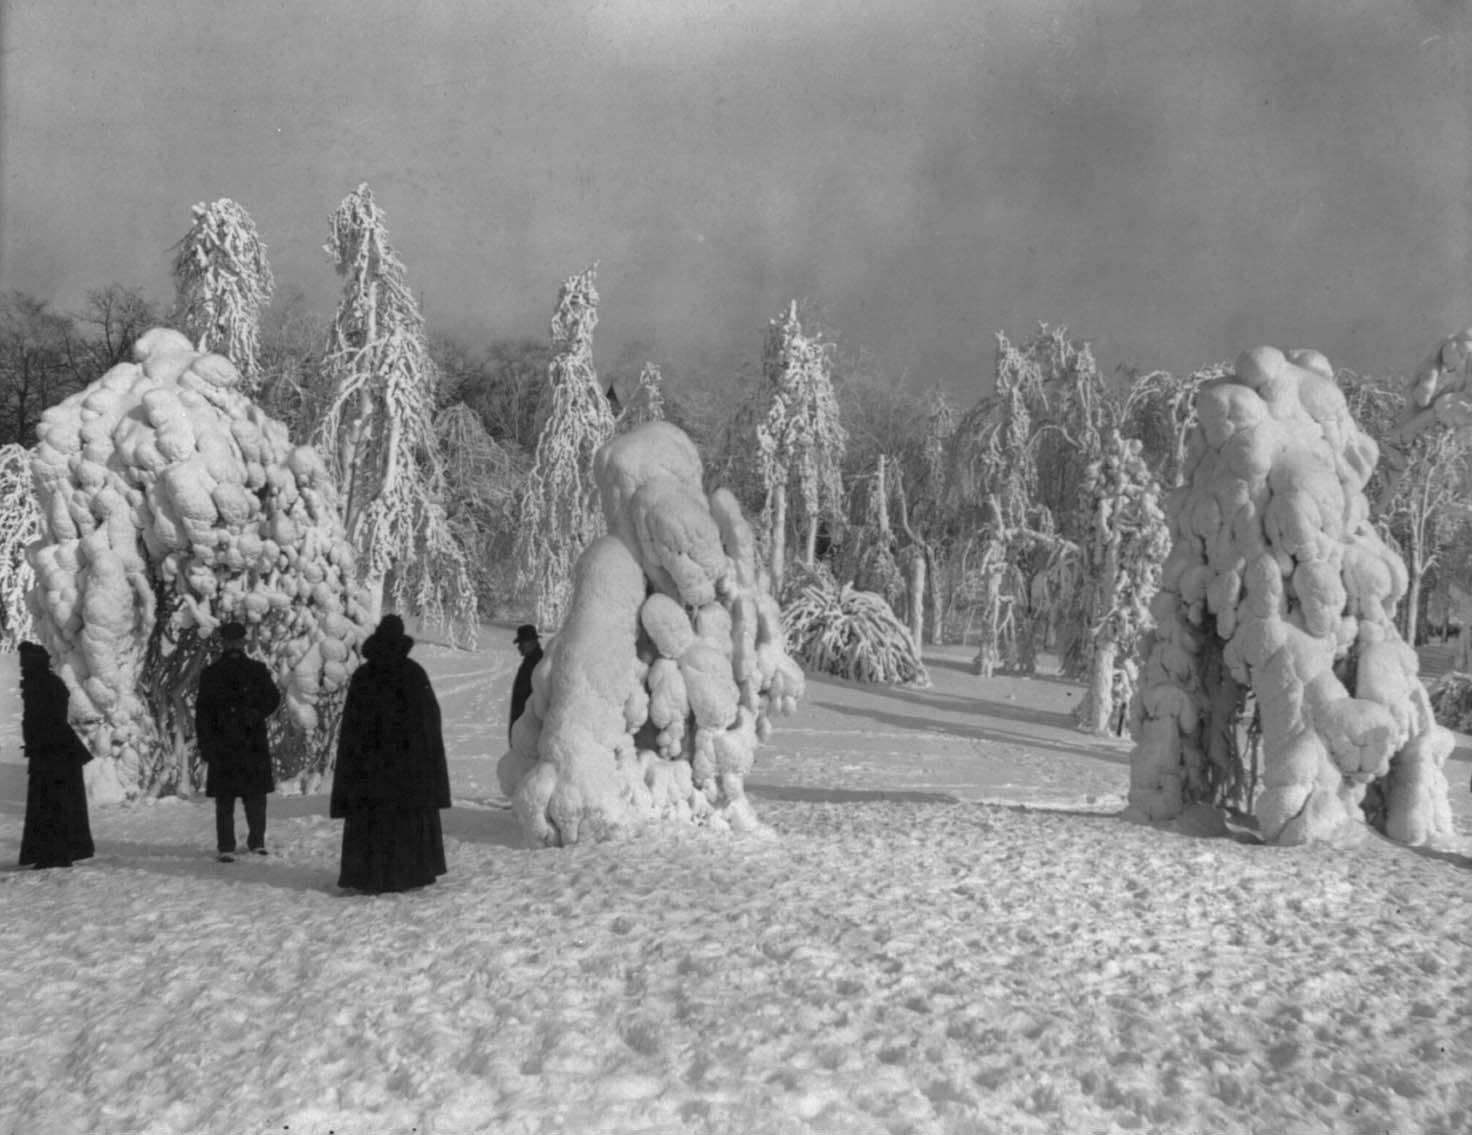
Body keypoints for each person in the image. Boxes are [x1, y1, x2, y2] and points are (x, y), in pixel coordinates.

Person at [331, 614, 451, 894]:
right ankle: (407, 874)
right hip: (408, 769)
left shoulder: (363, 676)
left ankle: (369, 874)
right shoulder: (414, 674)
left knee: (371, 822)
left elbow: (351, 729)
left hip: (369, 769)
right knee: (404, 822)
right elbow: (430, 725)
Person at [195, 621, 281, 862]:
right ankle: (226, 846)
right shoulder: (211, 674)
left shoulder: (257, 670)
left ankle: (257, 842)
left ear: (243, 642)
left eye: (237, 641)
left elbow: (273, 698)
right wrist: (205, 744)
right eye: (230, 641)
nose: (234, 645)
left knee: (255, 798)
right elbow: (202, 713)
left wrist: (256, 712)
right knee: (225, 799)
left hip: (252, 742)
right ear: (224, 643)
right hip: (222, 744)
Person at [18, 641, 95, 868]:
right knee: (54, 802)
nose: (22, 665)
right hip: (52, 751)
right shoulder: (42, 682)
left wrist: (38, 743)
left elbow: (46, 719)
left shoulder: (42, 684)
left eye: (25, 661)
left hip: (54, 753)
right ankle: (55, 852)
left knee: (53, 803)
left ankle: (55, 853)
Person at [509, 623, 542, 742]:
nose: (519, 647)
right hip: (524, 731)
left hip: (529, 734)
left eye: (522, 643)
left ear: (532, 642)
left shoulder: (538, 664)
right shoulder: (530, 661)